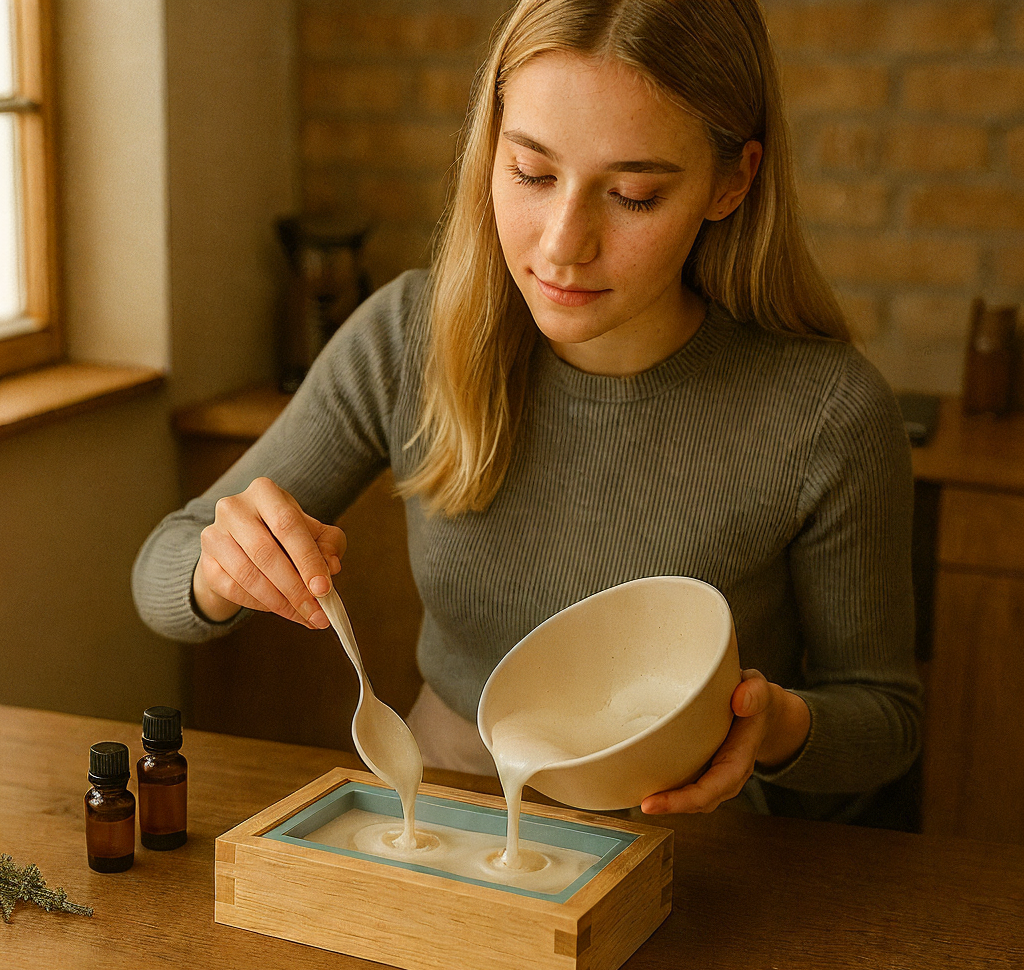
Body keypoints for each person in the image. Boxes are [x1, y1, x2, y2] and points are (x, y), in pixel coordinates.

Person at [133, 0, 920, 825]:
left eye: (634, 195)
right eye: (533, 175)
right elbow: (161, 571)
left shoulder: (828, 413)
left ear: (733, 180)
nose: (561, 244)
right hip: (443, 807)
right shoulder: (410, 337)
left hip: (694, 845)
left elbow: (885, 722)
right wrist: (224, 570)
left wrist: (779, 727)